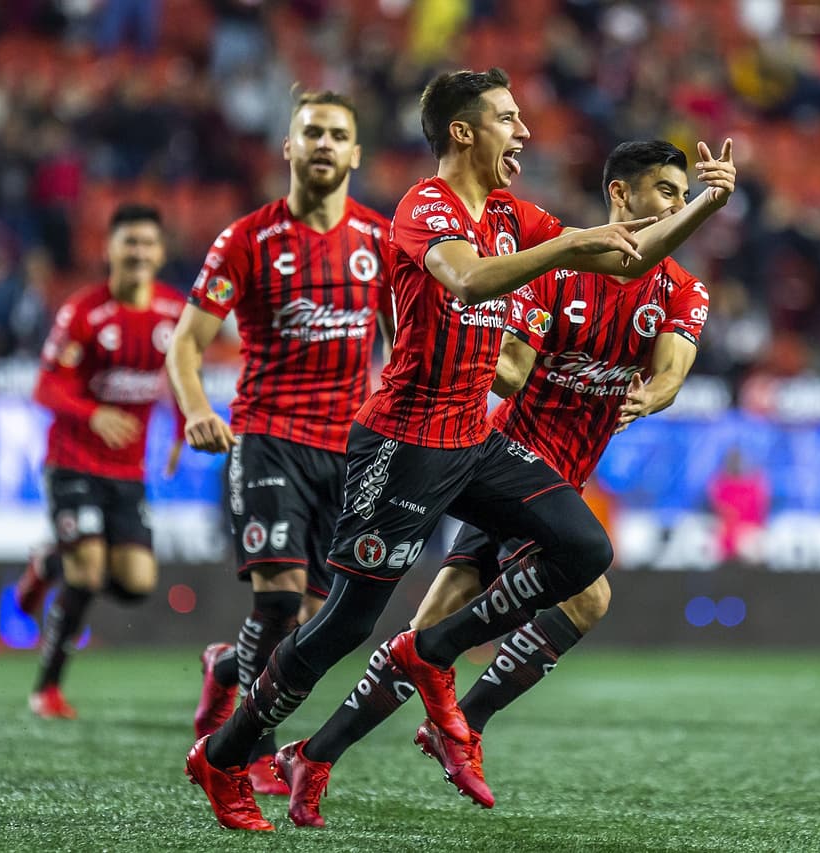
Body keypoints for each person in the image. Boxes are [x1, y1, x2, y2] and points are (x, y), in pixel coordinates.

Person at [184, 67, 735, 833]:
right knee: (342, 625)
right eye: (509, 119)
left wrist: (707, 204)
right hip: (403, 442)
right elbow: (469, 282)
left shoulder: (510, 212)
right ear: (465, 131)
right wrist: (570, 245)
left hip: (473, 439)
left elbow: (630, 259)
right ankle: (225, 753)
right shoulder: (425, 206)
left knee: (583, 551)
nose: (526, 133)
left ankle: (430, 652)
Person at [294, 139, 712, 810]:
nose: (674, 203)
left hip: (549, 487)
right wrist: (464, 345)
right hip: (501, 466)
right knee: (588, 595)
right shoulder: (557, 271)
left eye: (680, 193)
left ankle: (313, 755)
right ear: (620, 196)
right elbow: (513, 366)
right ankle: (469, 718)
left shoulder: (683, 291)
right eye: (663, 190)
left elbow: (673, 367)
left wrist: (653, 394)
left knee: (423, 636)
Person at [166, 91, 394, 794]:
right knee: (277, 598)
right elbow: (185, 343)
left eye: (337, 135)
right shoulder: (246, 239)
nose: (324, 144)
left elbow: (404, 341)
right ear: (288, 148)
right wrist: (199, 407)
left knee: (316, 621)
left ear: (356, 153)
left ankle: (227, 667)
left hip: (350, 450)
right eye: (311, 133)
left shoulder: (381, 242)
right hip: (268, 436)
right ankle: (250, 750)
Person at [14, 203, 186, 719]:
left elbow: (184, 374)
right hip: (72, 462)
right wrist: (93, 415)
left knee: (137, 584)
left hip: (127, 473)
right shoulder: (84, 312)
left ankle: (49, 562)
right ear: (109, 249)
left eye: (147, 243)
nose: (138, 252)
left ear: (160, 252)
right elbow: (45, 385)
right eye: (128, 242)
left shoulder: (175, 313)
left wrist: (180, 431)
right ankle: (46, 689)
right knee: (86, 574)